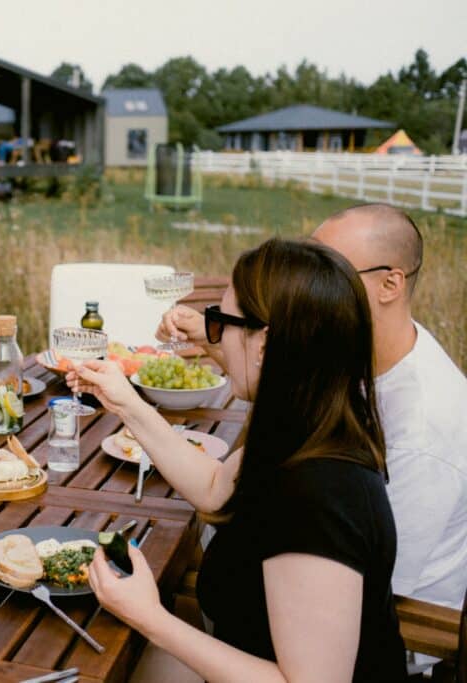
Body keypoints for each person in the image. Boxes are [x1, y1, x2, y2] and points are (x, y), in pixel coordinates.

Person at [72, 238, 407, 681]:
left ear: (265, 344)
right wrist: (127, 405)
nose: (215, 340)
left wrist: (150, 617)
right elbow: (214, 490)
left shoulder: (318, 495)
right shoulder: (305, 425)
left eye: (221, 324)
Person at [159, 203, 467, 614]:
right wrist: (223, 337)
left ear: (390, 285)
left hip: (369, 626)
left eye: (329, 268)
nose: (305, 279)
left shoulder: (422, 427)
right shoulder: (357, 351)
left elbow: (373, 588)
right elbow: (285, 390)